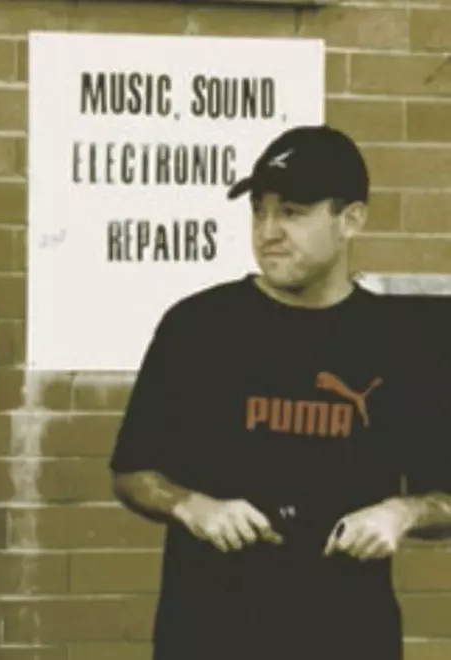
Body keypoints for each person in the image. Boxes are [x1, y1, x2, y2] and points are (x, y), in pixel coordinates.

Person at [108, 124, 451, 660]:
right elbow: (131, 473)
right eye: (258, 211)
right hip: (208, 634)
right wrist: (194, 507)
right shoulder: (198, 327)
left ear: (351, 219)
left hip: (349, 636)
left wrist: (401, 513)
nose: (268, 231)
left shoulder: (401, 342)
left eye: (291, 212)